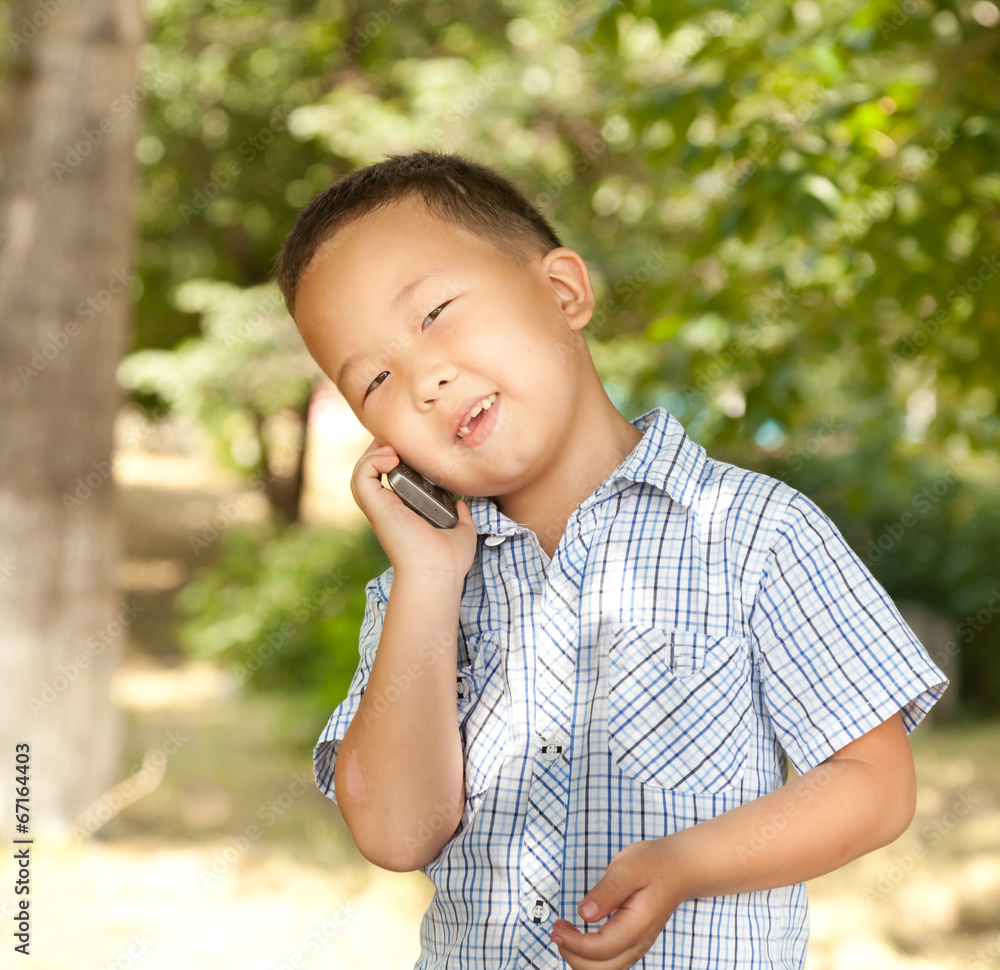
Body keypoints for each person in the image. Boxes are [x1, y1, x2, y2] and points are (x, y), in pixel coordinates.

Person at [274, 150, 949, 970]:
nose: (425, 379)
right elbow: (393, 831)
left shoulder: (753, 531)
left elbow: (874, 784)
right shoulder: (419, 592)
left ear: (563, 292)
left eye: (436, 314)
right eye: (375, 379)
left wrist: (686, 864)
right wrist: (427, 578)